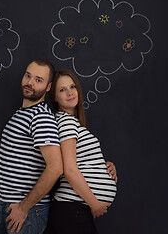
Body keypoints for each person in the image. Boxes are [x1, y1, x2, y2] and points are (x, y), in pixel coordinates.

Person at [0, 59, 63, 234]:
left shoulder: (41, 117)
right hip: (5, 207)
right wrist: (0, 202)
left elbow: (55, 168)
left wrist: (23, 207)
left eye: (38, 80)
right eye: (28, 76)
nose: (30, 82)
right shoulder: (21, 114)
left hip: (27, 212)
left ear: (48, 87)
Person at [45, 69, 118, 234]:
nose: (70, 92)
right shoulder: (66, 123)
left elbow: (79, 160)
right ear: (55, 97)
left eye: (72, 87)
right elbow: (69, 170)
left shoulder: (71, 123)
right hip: (73, 210)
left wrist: (105, 165)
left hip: (74, 211)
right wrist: (94, 204)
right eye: (62, 89)